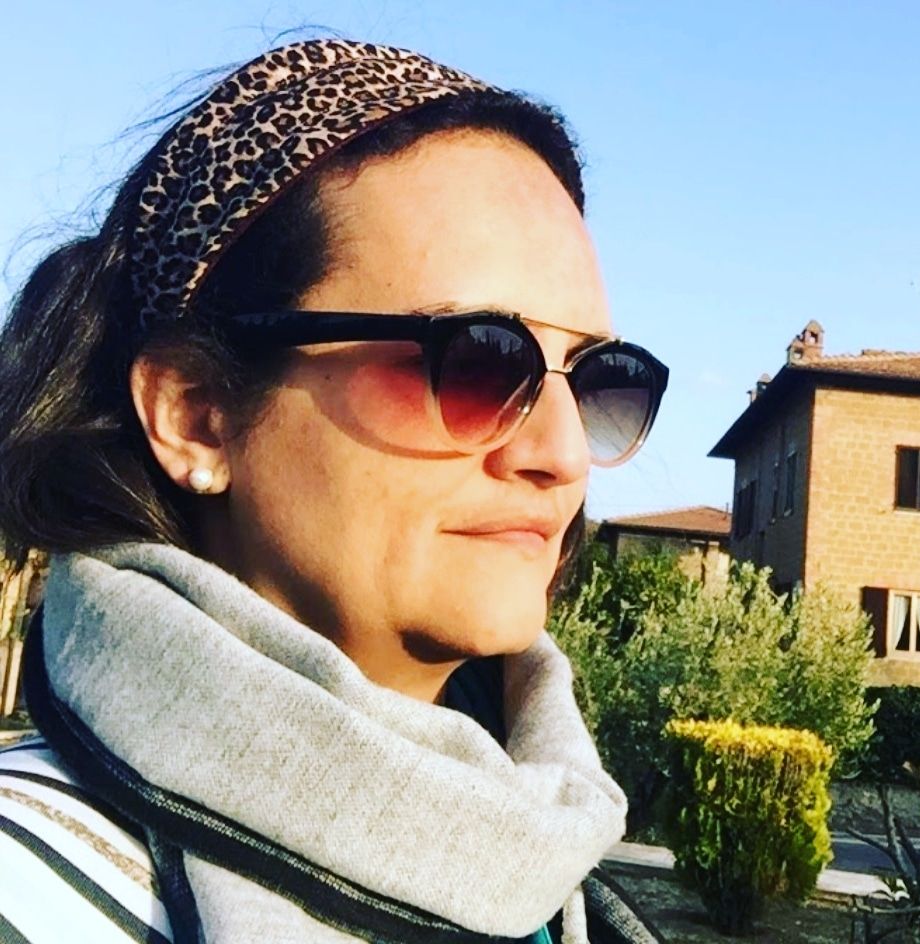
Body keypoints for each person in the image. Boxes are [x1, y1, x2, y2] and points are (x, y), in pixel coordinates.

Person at [0, 38, 668, 944]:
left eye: (597, 381)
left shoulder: (555, 884)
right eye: (475, 361)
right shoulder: (27, 888)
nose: (562, 454)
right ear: (197, 414)